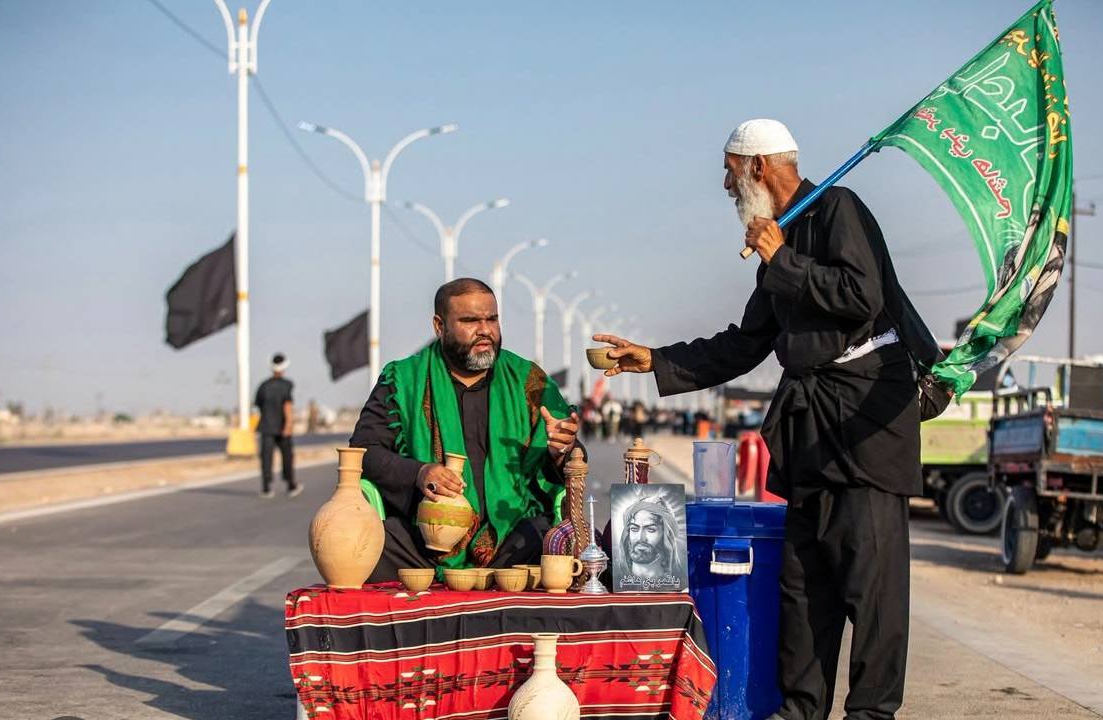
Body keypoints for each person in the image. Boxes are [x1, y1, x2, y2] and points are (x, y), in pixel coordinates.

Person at [596, 119, 941, 720]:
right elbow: (744, 343)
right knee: (804, 592)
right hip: (809, 440)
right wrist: (655, 360)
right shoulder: (776, 245)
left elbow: (862, 293)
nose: (725, 184)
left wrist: (782, 258)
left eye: (730, 170)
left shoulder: (837, 207)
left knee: (874, 593)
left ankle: (871, 713)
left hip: (863, 431)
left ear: (757, 166)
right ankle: (800, 711)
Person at [349, 278, 582, 582]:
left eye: (492, 319)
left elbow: (574, 456)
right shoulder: (402, 380)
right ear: (439, 325)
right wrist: (420, 473)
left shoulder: (531, 381)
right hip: (422, 541)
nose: (485, 329)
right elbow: (363, 452)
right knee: (362, 546)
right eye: (470, 320)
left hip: (514, 538)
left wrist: (561, 451)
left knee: (553, 543)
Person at [255, 353, 302, 499]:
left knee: (266, 457)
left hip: (266, 426)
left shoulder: (263, 385)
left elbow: (259, 405)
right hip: (282, 428)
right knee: (287, 457)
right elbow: (287, 405)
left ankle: (266, 488)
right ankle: (291, 485)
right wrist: (288, 424)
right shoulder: (287, 385)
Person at [618, 497, 680, 584]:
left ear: (667, 536)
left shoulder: (680, 584)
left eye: (650, 530)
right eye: (634, 529)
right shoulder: (613, 579)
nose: (640, 538)